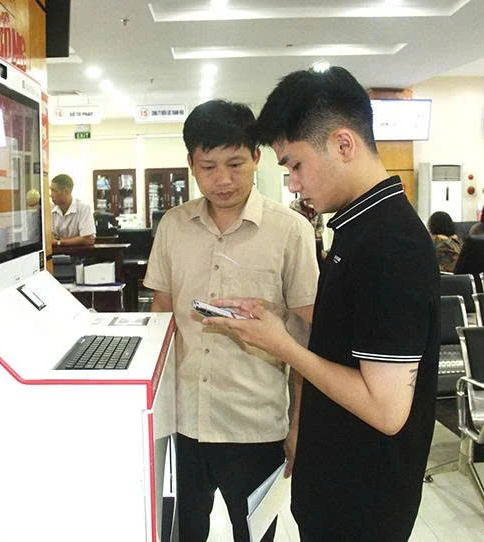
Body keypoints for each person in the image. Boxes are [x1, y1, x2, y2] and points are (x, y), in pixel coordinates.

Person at [204, 67, 440, 540]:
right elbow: (345, 343)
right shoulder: (357, 227)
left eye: (295, 165)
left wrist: (283, 347)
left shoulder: (390, 244)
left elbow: (386, 409)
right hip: (336, 484)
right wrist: (281, 322)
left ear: (343, 144)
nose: (293, 183)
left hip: (364, 501)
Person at [142, 99, 318, 542]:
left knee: (255, 535)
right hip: (182, 423)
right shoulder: (173, 226)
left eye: (236, 164)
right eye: (208, 167)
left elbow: (306, 336)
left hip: (256, 425)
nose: (222, 180)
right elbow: (161, 315)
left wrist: (299, 424)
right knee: (181, 533)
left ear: (257, 157)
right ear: (191, 165)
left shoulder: (290, 230)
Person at [50, 173, 96, 247]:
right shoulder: (50, 208)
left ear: (66, 192)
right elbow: (49, 237)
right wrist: (76, 239)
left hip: (79, 253)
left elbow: (88, 240)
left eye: (54, 190)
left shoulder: (83, 208)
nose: (51, 195)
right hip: (56, 252)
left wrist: (59, 241)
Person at [289, 196, 326, 266]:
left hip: (314, 240)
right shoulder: (294, 208)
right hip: (300, 239)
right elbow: (292, 226)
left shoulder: (317, 208)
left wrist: (317, 233)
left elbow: (320, 225)